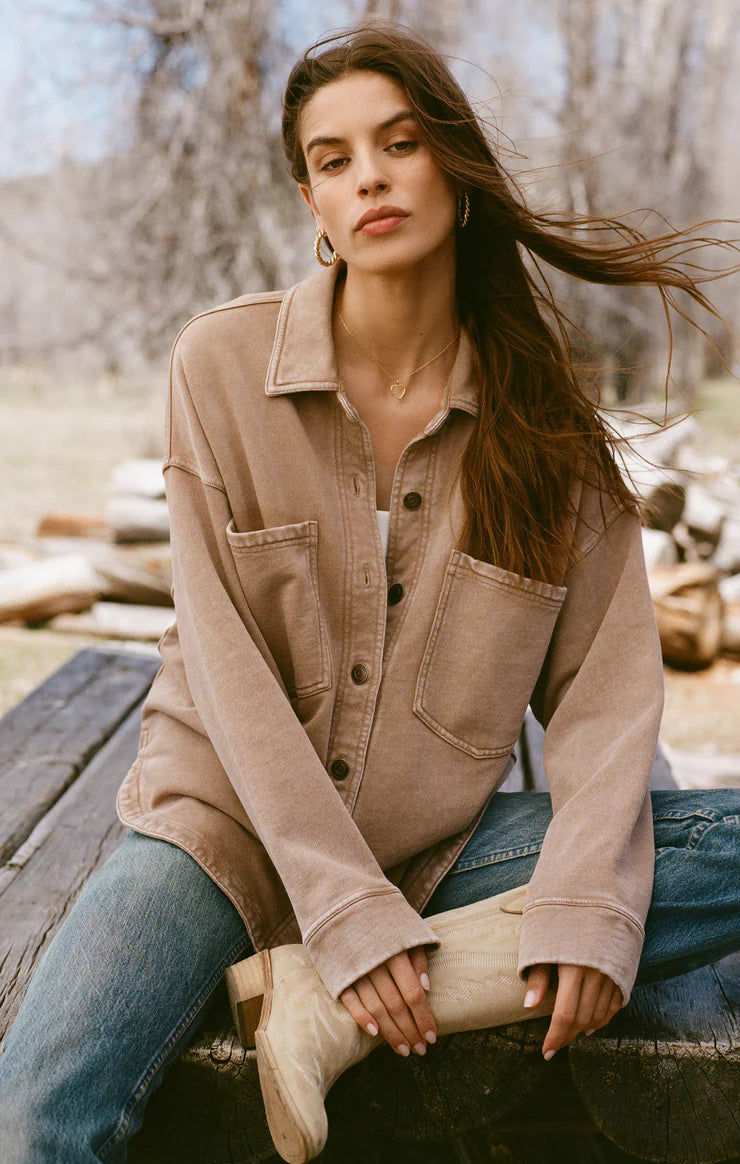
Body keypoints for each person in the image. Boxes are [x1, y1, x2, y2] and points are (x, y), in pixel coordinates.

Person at [0, 19, 738, 1164]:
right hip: (222, 833)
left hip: (435, 856)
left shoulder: (544, 430)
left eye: (397, 143)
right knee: (35, 1112)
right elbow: (226, 674)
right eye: (333, 160)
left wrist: (589, 902)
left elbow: (605, 693)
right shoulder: (219, 369)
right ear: (311, 203)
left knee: (665, 852)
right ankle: (343, 959)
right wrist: (341, 907)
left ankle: (325, 1009)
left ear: (451, 164)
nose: (369, 177)